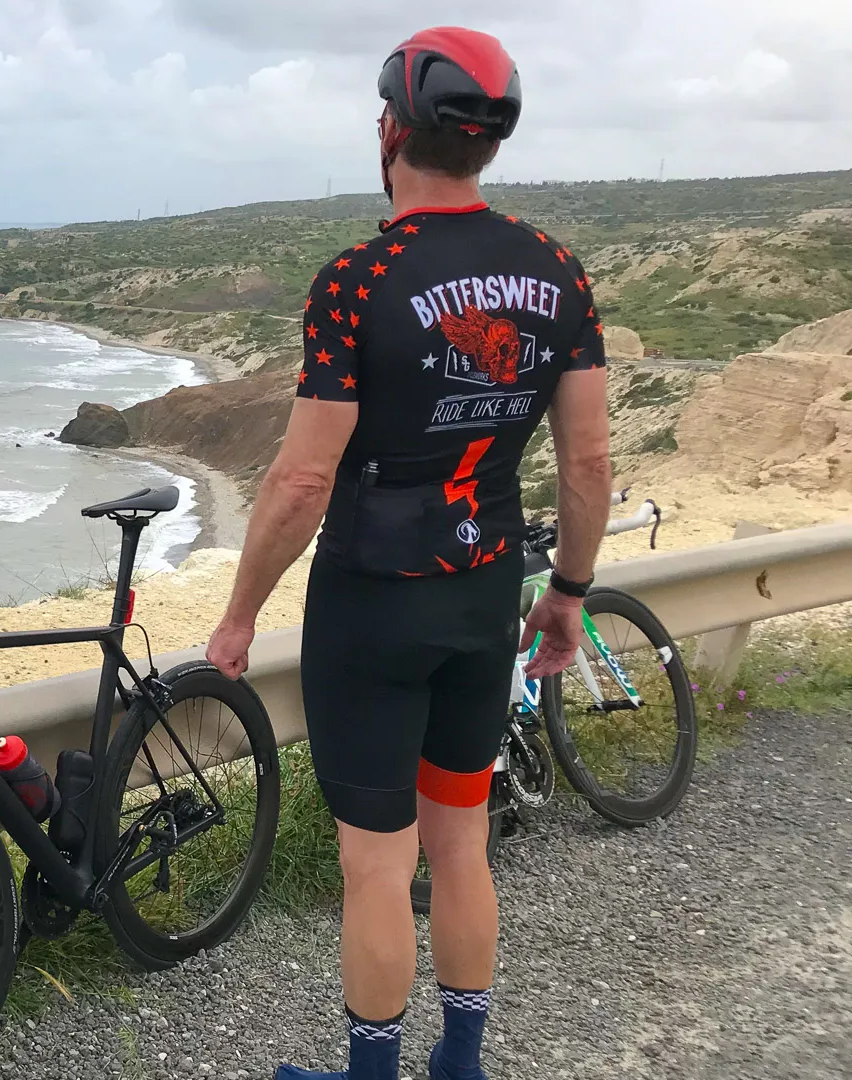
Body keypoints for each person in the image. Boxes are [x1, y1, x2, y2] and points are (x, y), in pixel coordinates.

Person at [202, 26, 613, 1080]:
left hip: (374, 605)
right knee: (462, 841)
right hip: (484, 597)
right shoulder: (557, 270)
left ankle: (373, 1072)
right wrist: (565, 591)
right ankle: (461, 1063)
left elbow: (299, 483)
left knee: (378, 866)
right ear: (487, 147)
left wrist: (242, 612)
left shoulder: (357, 279)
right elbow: (589, 463)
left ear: (391, 130)